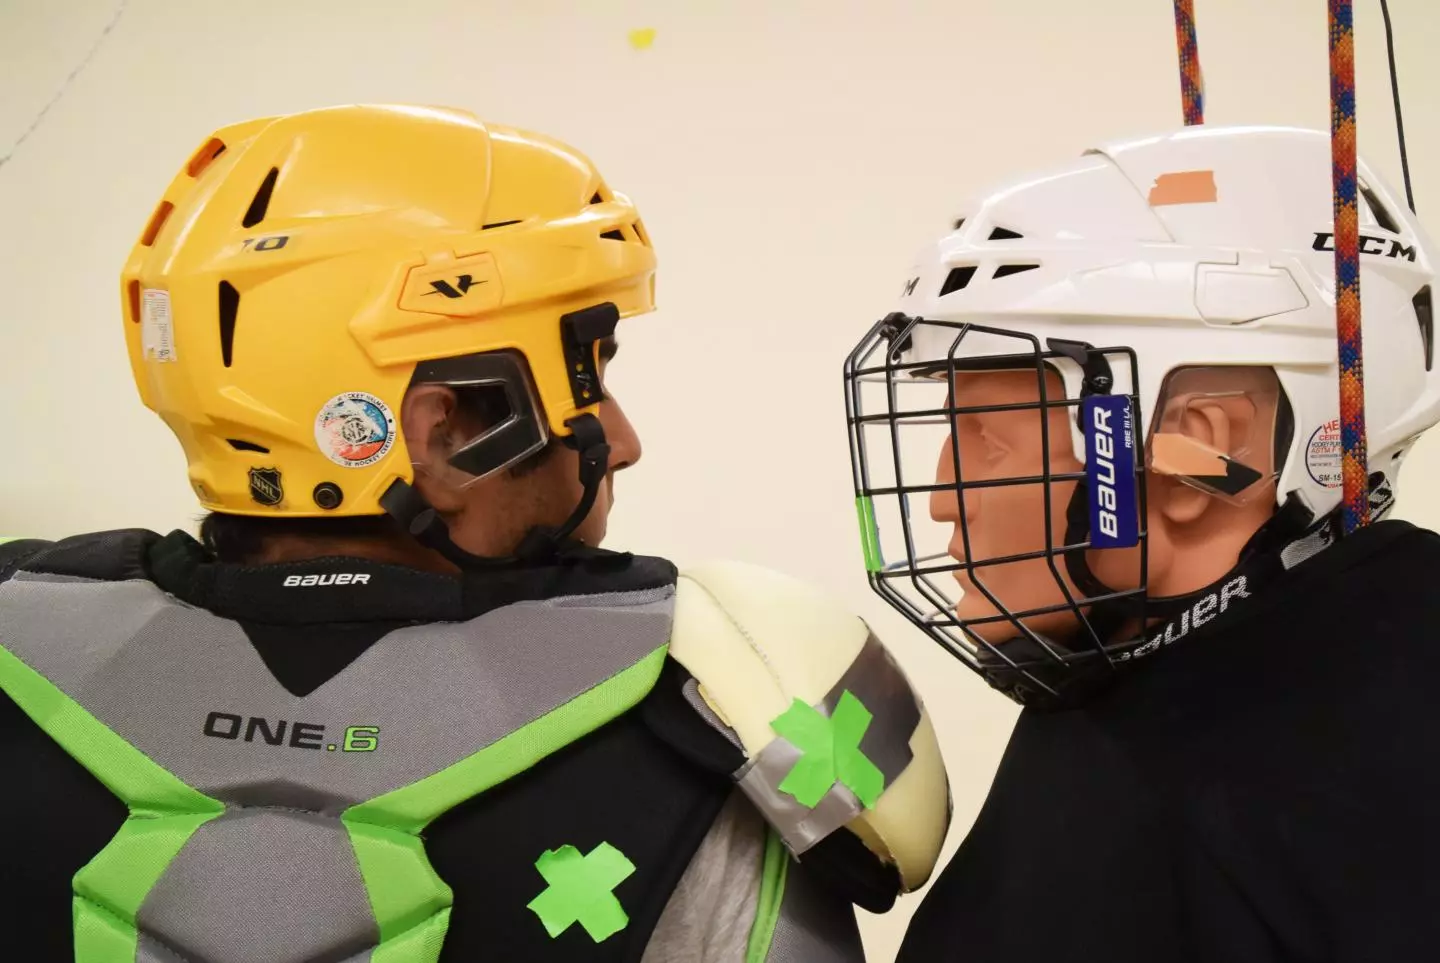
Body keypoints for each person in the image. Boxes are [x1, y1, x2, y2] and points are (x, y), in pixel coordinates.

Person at [0, 104, 949, 963]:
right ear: (444, 431)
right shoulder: (703, 707)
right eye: (589, 376)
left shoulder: (23, 643)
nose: (622, 440)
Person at [842, 124, 1440, 962]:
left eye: (986, 436)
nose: (942, 496)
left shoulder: (1172, 808)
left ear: (1202, 449)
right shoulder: (1159, 674)